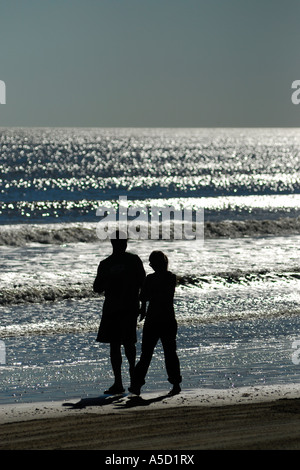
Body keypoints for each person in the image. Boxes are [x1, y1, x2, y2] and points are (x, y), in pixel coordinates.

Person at [93, 230, 145, 394]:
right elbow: (97, 288)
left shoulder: (109, 263)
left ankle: (125, 381)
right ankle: (123, 381)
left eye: (123, 242)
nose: (122, 245)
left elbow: (143, 284)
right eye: (121, 242)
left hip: (120, 307)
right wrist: (143, 306)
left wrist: (143, 306)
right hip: (121, 307)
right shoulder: (124, 261)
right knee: (121, 345)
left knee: (123, 344)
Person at [129, 250, 182, 396]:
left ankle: (137, 384)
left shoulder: (153, 279)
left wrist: (144, 306)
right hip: (167, 318)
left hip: (154, 319)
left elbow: (144, 296)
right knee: (169, 353)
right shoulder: (170, 277)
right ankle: (175, 382)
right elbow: (148, 297)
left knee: (147, 354)